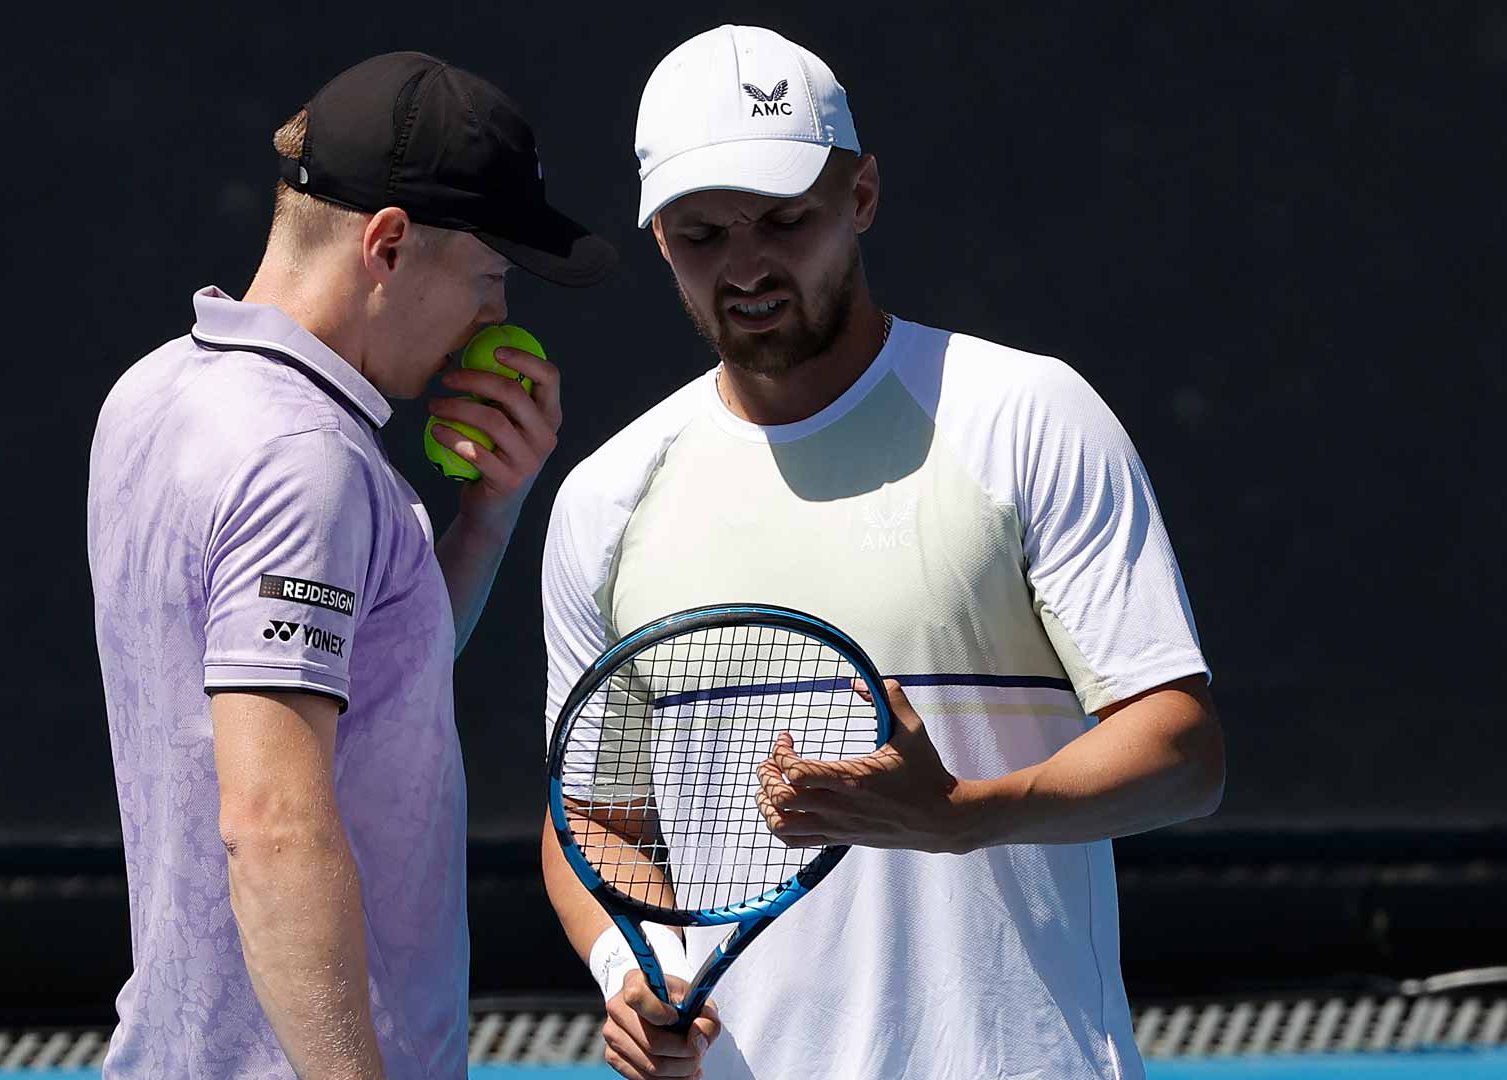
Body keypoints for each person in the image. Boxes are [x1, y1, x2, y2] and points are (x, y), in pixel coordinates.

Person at [540, 25, 1224, 1080]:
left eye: (785, 220)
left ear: (861, 197)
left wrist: (963, 817)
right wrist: (626, 973)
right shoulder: (607, 499)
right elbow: (593, 821)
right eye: (701, 234)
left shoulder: (1027, 416)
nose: (748, 265)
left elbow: (1182, 753)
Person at [87, 52, 613, 1080]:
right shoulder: (305, 466)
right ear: (388, 243)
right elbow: (273, 825)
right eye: (490, 278)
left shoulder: (151, 394)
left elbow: (361, 681)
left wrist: (487, 520)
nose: (497, 322)